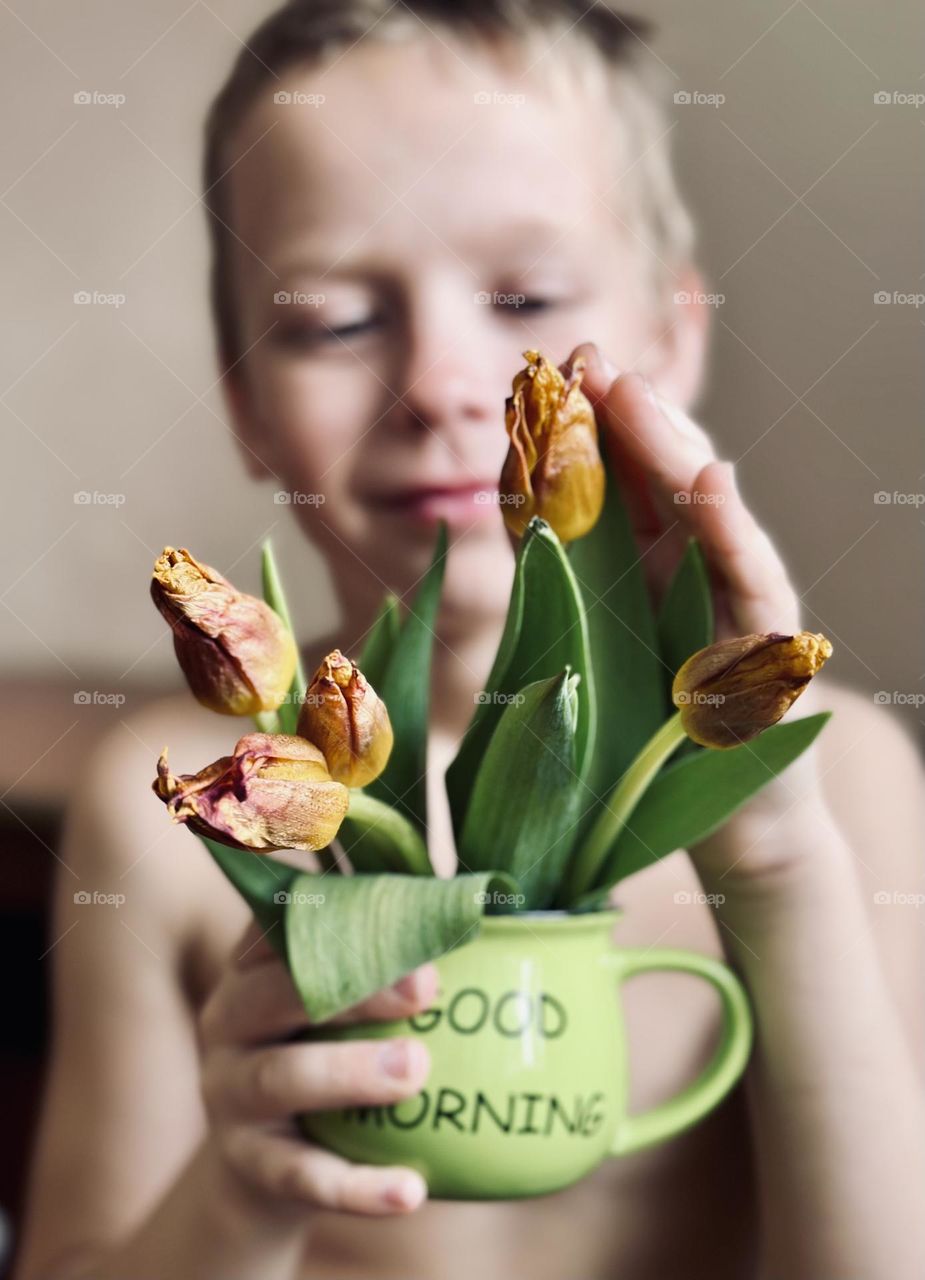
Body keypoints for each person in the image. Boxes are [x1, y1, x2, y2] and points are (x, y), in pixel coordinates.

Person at [14, 3, 925, 1277]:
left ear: (673, 335)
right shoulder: (172, 806)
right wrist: (237, 1187)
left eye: (526, 298)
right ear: (245, 405)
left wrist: (770, 858)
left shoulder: (849, 787)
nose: (440, 382)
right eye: (331, 318)